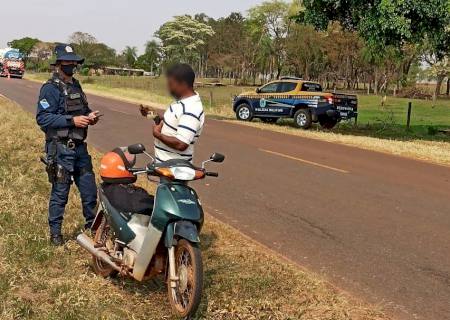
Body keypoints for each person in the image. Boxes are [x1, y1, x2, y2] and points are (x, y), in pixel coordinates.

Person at [36, 43, 100, 246]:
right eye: (67, 61)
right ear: (58, 63)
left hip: (80, 148)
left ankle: (93, 230)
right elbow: (43, 119)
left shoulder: (76, 86)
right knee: (60, 192)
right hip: (60, 149)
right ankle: (56, 234)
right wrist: (71, 121)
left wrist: (90, 116)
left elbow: (83, 108)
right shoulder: (50, 88)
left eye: (74, 62)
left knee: (90, 192)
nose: (72, 65)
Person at [151, 64, 205, 163]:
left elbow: (181, 144)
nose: (169, 88)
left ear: (183, 84)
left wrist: (157, 134)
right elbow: (175, 123)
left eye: (171, 84)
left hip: (175, 170)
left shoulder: (191, 109)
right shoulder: (182, 102)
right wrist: (154, 116)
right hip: (167, 168)